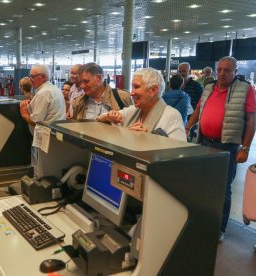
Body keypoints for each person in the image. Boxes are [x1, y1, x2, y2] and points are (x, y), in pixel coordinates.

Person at [185, 56, 256, 241]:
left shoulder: (245, 89)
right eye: (220, 70)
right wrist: (186, 127)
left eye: (227, 70)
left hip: (228, 146)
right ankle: (204, 219)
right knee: (203, 184)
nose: (222, 73)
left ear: (235, 72)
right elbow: (198, 110)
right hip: (204, 142)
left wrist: (245, 148)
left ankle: (220, 228)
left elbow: (251, 120)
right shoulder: (209, 88)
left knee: (223, 189)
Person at [98, 68, 186, 141]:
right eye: (132, 87)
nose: (131, 93)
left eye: (136, 87)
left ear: (153, 90)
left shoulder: (172, 115)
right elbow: (100, 117)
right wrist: (109, 116)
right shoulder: (133, 110)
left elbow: (178, 154)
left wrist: (148, 138)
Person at [19, 65, 65, 176]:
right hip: (54, 137)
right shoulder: (54, 89)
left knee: (40, 170)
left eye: (32, 76)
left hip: (45, 138)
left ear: (43, 77)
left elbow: (36, 120)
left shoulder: (43, 93)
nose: (30, 80)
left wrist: (24, 113)